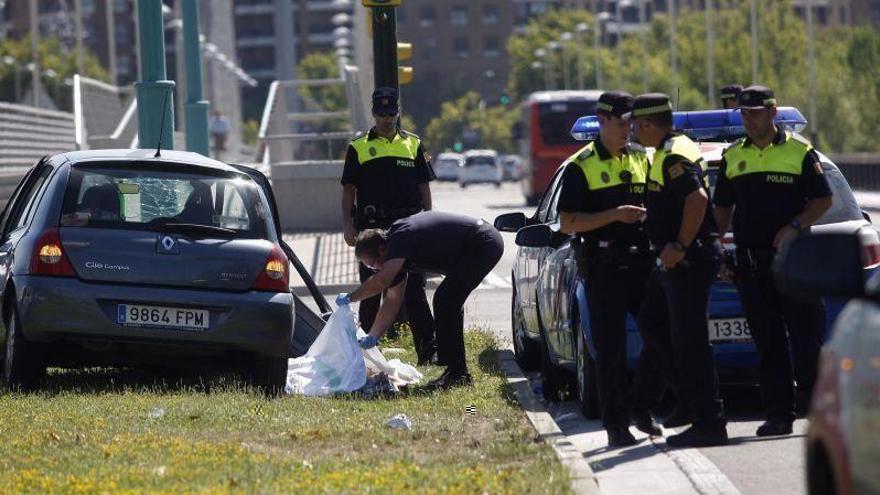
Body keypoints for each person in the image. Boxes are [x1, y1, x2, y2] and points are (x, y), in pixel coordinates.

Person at [713, 85, 832, 436]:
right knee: (769, 344)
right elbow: (721, 211)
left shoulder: (800, 152)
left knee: (807, 340)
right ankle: (780, 414)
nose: (749, 120)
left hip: (795, 263)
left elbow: (822, 201)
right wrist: (715, 249)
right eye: (744, 115)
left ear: (773, 112)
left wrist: (795, 226)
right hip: (752, 265)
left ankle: (817, 410)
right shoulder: (734, 157)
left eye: (755, 113)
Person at [557, 91, 664, 447]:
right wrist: (614, 215)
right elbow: (569, 222)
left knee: (661, 337)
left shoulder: (641, 158)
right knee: (611, 352)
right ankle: (616, 425)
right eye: (621, 124)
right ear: (602, 121)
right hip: (603, 267)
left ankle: (642, 405)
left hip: (642, 263)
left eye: (632, 124)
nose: (627, 131)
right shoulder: (580, 166)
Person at [630, 93, 729, 448]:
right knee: (652, 323)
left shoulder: (673, 154)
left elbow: (698, 199)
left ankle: (709, 421)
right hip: (673, 259)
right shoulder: (675, 146)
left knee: (691, 343)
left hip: (686, 258)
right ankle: (686, 399)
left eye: (634, 126)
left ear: (646, 124)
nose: (633, 133)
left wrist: (681, 244)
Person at [336, 211, 504, 389]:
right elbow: (393, 299)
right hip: (475, 245)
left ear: (382, 250)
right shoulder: (394, 254)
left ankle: (457, 374)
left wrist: (352, 297)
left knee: (445, 300)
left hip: (482, 242)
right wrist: (373, 335)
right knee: (448, 301)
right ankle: (455, 371)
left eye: (372, 264)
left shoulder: (399, 238)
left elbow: (381, 281)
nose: (374, 270)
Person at [340, 87, 438, 365]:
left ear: (398, 112)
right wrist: (347, 225)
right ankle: (366, 355)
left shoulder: (413, 144)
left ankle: (428, 353)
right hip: (371, 229)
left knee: (415, 292)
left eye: (391, 112)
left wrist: (428, 219)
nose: (386, 117)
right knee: (371, 291)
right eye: (381, 112)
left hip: (407, 227)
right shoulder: (358, 146)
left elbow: (424, 187)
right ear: (373, 113)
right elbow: (348, 191)